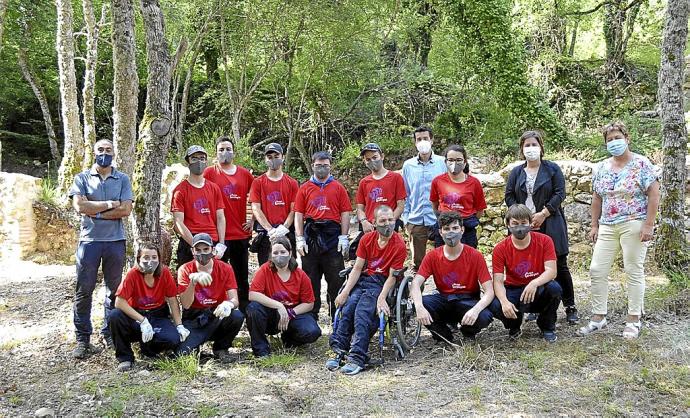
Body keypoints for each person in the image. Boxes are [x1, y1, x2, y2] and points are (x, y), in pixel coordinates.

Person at [579, 122, 660, 339]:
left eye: (617, 137)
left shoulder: (642, 163)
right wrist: (594, 225)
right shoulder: (602, 167)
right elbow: (597, 197)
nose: (614, 142)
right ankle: (599, 316)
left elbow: (654, 193)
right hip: (607, 223)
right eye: (609, 140)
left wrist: (649, 224)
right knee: (597, 269)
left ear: (627, 138)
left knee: (633, 269)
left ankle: (634, 319)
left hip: (634, 222)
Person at [505, 131, 579, 325]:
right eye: (526, 145)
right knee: (532, 265)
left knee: (559, 265)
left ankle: (570, 306)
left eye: (534, 144)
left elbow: (559, 193)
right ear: (521, 149)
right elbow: (509, 196)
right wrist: (523, 217)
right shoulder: (516, 172)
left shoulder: (552, 169)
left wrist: (543, 213)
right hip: (524, 226)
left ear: (541, 147)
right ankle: (536, 306)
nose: (531, 148)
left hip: (551, 222)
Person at [68, 139, 133, 358]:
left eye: (108, 150)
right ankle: (83, 339)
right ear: (93, 152)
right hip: (89, 242)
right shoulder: (82, 178)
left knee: (113, 291)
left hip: (115, 241)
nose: (104, 153)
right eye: (100, 150)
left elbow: (125, 210)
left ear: (114, 153)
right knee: (83, 290)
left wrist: (93, 210)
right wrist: (108, 204)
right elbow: (79, 206)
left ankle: (109, 334)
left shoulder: (122, 178)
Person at [327, 205, 407, 375]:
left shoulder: (399, 244)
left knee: (362, 313)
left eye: (391, 220)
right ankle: (340, 350)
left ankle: (357, 357)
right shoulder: (366, 239)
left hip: (381, 283)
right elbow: (357, 268)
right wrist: (345, 292)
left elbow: (393, 277)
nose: (388, 224)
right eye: (383, 221)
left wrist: (382, 298)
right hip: (364, 280)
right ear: (374, 223)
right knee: (347, 308)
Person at [410, 211, 495, 343]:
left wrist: (475, 310)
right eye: (447, 229)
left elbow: (489, 291)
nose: (451, 233)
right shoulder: (432, 256)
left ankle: (468, 332)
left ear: (462, 230)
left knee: (485, 316)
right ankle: (444, 336)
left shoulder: (475, 255)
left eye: (455, 228)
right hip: (444, 298)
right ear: (440, 232)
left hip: (468, 300)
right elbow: (416, 283)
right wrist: (418, 307)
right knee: (424, 303)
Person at [109, 242, 188, 372]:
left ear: (159, 259)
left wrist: (179, 325)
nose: (150, 261)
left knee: (173, 339)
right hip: (135, 315)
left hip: (158, 314)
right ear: (138, 259)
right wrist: (142, 320)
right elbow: (119, 302)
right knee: (115, 316)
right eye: (146, 257)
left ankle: (148, 349)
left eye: (153, 257)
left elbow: (173, 300)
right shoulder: (132, 274)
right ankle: (125, 357)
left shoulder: (165, 272)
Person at [490, 204, 561, 342]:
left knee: (554, 288)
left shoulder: (545, 241)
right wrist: (504, 302)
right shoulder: (500, 248)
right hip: (513, 288)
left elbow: (552, 271)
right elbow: (498, 281)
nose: (520, 227)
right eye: (515, 224)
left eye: (524, 223)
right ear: (508, 225)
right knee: (495, 304)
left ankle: (547, 326)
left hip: (538, 287)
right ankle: (514, 325)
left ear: (530, 223)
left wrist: (534, 283)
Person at [294, 151, 352, 318]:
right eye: (318, 165)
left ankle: (337, 315)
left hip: (332, 236)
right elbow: (298, 214)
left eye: (325, 165)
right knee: (310, 278)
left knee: (336, 278)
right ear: (312, 165)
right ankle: (311, 315)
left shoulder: (338, 188)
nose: (322, 168)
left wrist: (344, 236)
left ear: (330, 166)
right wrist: (299, 238)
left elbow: (345, 212)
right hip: (311, 235)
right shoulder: (304, 188)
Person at [246, 237, 322, 357]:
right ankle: (261, 350)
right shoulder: (265, 270)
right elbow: (253, 294)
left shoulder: (300, 275)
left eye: (283, 252)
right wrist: (278, 305)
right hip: (271, 314)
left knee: (312, 332)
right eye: (275, 253)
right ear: (271, 255)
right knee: (253, 308)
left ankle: (289, 339)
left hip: (293, 314)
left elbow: (309, 303)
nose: (279, 256)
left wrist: (290, 313)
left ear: (290, 253)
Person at [203, 136, 255, 311]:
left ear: (234, 152)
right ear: (216, 153)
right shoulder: (209, 173)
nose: (225, 152)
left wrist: (253, 219)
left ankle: (244, 311)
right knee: (217, 276)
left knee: (241, 276)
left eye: (228, 149)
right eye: (221, 149)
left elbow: (257, 199)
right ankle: (218, 310)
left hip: (240, 234)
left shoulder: (245, 174)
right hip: (218, 237)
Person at [176, 233, 245, 362]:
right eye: (198, 250)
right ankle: (196, 347)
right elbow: (185, 304)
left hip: (217, 312)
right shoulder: (185, 270)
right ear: (192, 251)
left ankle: (221, 348)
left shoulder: (225, 268)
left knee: (237, 316)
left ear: (213, 250)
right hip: (194, 317)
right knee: (183, 354)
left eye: (206, 249)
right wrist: (192, 283)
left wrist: (228, 304)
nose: (202, 253)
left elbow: (234, 299)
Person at [401, 127, 449, 271]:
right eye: (419, 139)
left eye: (425, 138)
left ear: (432, 140)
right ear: (415, 143)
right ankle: (417, 292)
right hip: (416, 220)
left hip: (438, 219)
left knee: (444, 260)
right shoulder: (408, 166)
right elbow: (406, 193)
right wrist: (406, 219)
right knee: (418, 264)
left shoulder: (443, 163)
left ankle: (442, 291)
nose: (422, 142)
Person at [171, 145, 226, 267]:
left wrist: (221, 244)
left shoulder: (214, 188)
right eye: (194, 158)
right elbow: (178, 222)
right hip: (189, 242)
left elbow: (221, 217)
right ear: (188, 162)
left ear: (206, 162)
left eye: (202, 158)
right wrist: (195, 245)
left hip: (212, 242)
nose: (199, 162)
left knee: (214, 283)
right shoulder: (180, 191)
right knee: (188, 281)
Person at [248, 143, 299, 265]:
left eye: (276, 156)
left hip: (286, 234)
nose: (273, 159)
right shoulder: (258, 183)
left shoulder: (292, 183)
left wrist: (284, 228)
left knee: (288, 270)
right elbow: (255, 208)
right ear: (265, 159)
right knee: (267, 270)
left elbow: (294, 209)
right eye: (269, 157)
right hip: (266, 235)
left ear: (282, 157)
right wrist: (270, 230)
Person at [430, 144, 486, 249]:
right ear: (445, 162)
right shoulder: (437, 181)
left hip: (467, 229)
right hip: (445, 227)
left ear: (465, 162)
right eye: (450, 160)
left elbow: (480, 209)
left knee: (468, 260)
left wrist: (466, 220)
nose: (454, 163)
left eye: (459, 160)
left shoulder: (474, 183)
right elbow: (434, 205)